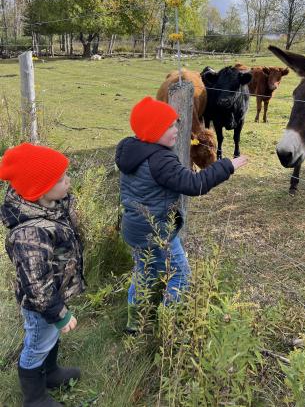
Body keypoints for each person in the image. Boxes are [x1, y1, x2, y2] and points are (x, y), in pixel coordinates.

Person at [115, 96, 248, 333]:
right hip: (157, 231)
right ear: (152, 131)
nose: (177, 129)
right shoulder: (160, 159)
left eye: (176, 123)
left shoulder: (131, 152)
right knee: (181, 275)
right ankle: (168, 326)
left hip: (134, 227)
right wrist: (227, 166)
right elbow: (194, 184)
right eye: (169, 126)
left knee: (144, 272)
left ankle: (135, 324)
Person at [0, 143, 84, 407]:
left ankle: (51, 372)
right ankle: (34, 397)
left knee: (50, 336)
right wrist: (59, 313)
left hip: (53, 295)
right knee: (37, 343)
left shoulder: (49, 207)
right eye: (60, 178)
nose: (68, 180)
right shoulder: (29, 232)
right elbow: (36, 284)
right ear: (39, 189)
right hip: (42, 304)